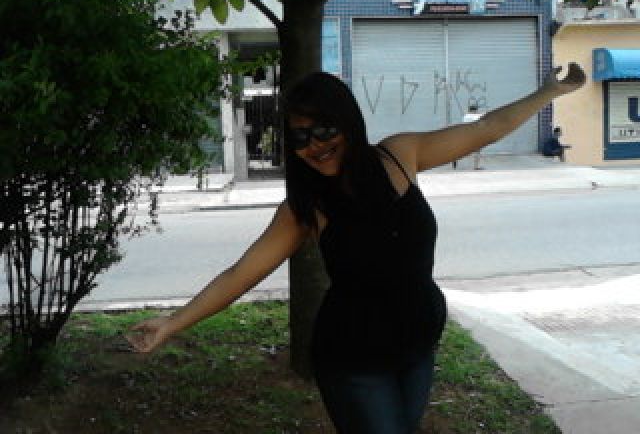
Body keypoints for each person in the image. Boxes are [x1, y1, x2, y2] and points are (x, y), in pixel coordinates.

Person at [126, 63, 586, 433]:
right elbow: (240, 274)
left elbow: (487, 127)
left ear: (347, 121)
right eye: (300, 137)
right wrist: (173, 323)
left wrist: (548, 92)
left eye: (324, 129)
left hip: (418, 345)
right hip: (355, 360)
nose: (315, 146)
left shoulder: (400, 155)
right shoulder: (305, 208)